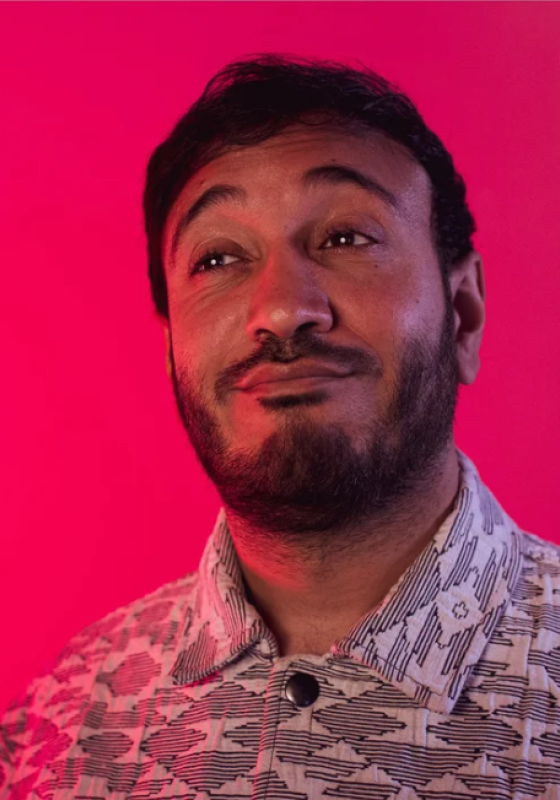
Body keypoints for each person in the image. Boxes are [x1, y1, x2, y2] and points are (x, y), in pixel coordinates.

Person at [2, 53, 559, 800]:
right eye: (220, 257)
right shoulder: (58, 724)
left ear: (463, 315)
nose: (282, 309)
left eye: (344, 238)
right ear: (171, 351)